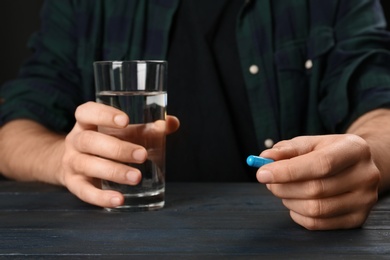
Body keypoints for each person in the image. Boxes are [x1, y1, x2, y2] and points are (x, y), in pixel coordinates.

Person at [1, 0, 390, 230]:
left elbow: (380, 102)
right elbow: (13, 124)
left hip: (290, 237)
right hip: (119, 236)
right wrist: (61, 159)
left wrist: (366, 155)